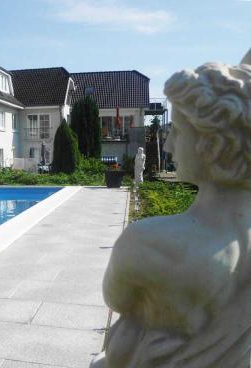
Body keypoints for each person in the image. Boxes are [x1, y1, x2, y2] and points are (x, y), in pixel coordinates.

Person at [92, 53, 251, 368]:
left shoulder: (147, 242)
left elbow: (116, 299)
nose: (167, 145)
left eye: (177, 131)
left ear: (214, 147)